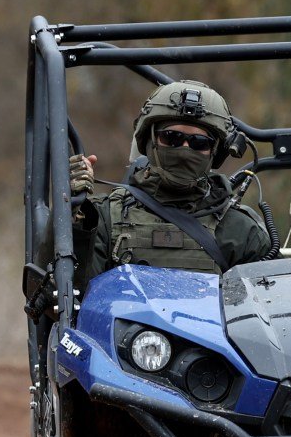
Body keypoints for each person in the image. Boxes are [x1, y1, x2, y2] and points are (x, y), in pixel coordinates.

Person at [70, 80, 272, 290]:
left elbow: (268, 307)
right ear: (149, 140)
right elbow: (61, 299)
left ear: (215, 151)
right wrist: (71, 214)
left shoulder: (240, 229)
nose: (184, 150)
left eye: (199, 143)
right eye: (172, 138)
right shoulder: (101, 217)